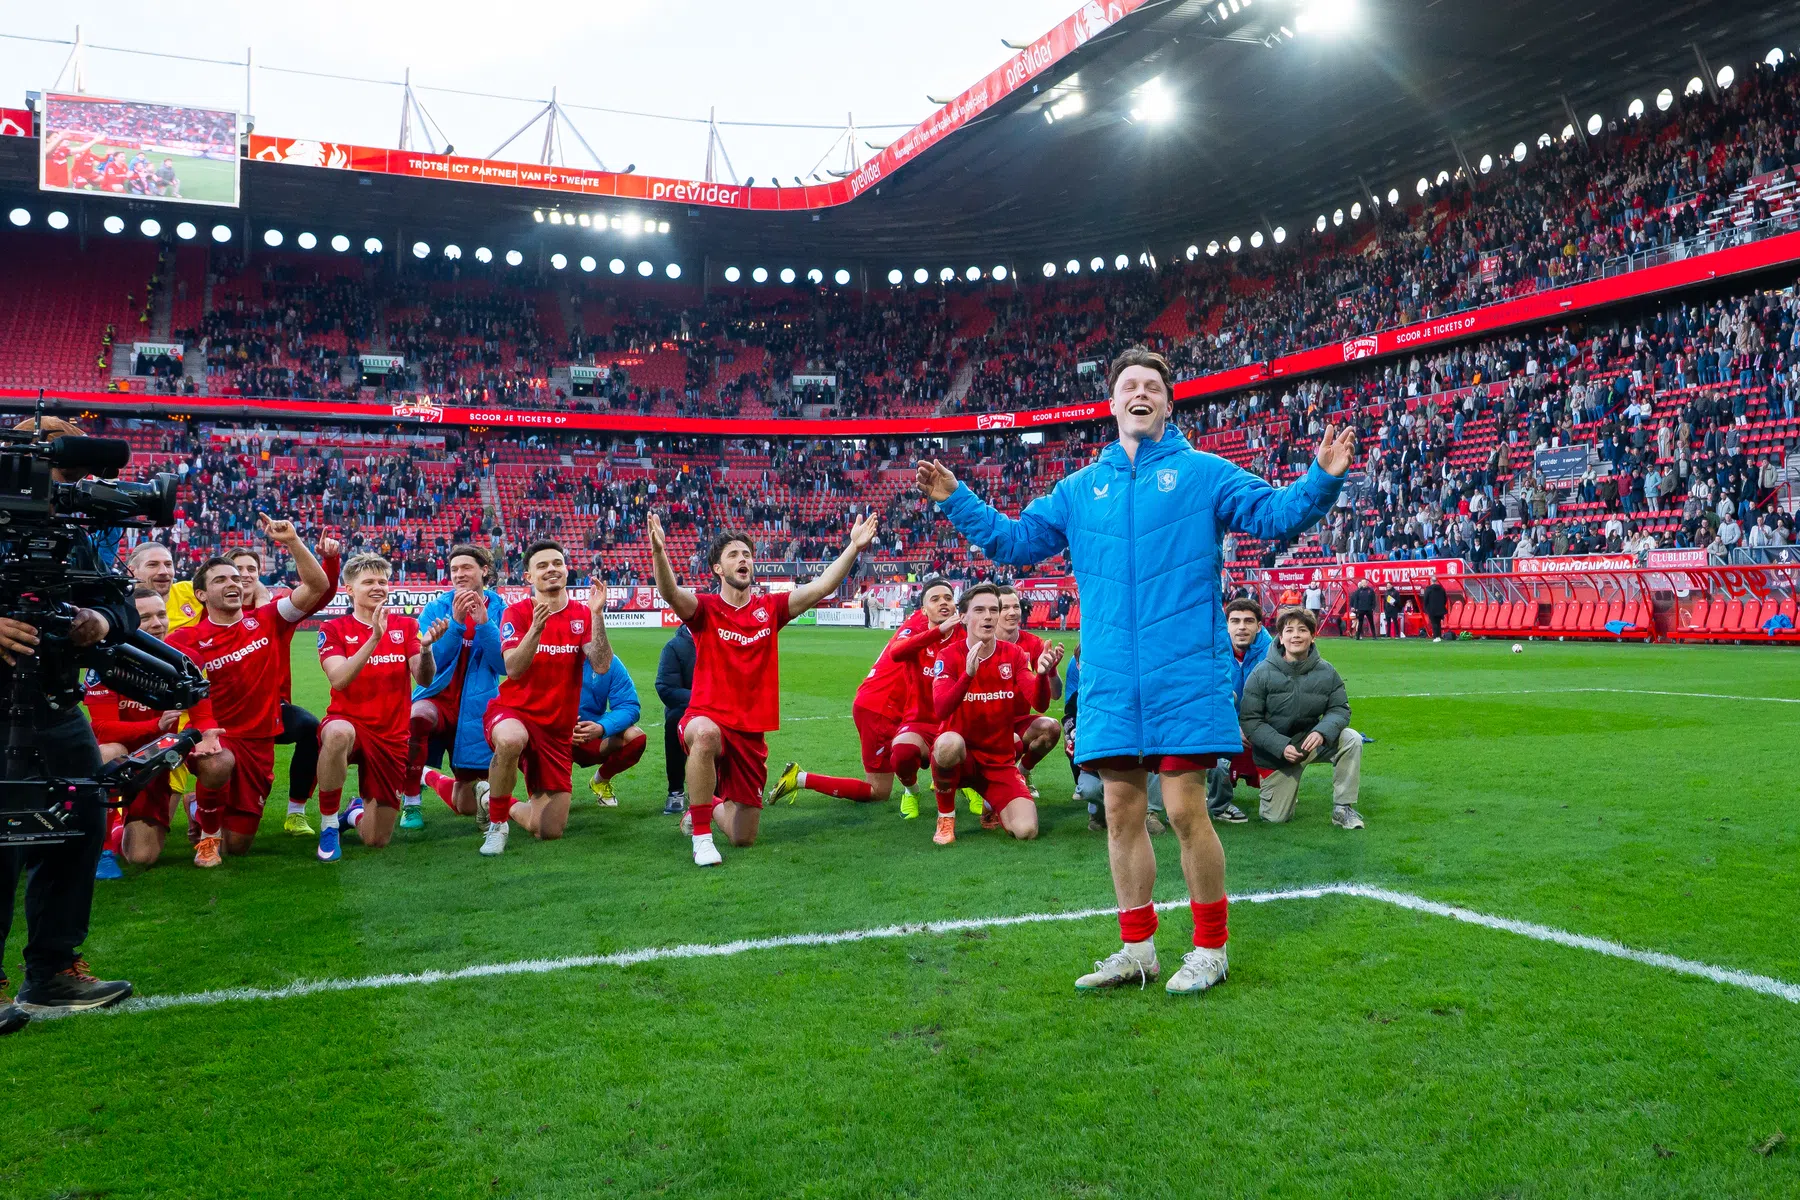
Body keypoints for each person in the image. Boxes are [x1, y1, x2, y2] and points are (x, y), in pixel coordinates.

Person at [919, 345, 1351, 995]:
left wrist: (1321, 477)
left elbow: (1274, 516)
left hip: (1183, 674)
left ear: (1168, 403)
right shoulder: (1078, 490)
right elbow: (1013, 541)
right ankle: (1138, 949)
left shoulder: (1203, 473)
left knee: (1183, 809)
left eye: (1152, 384)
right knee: (1120, 811)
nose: (1140, 392)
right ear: (1114, 403)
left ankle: (1210, 949)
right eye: (1129, 384)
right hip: (1113, 679)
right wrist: (958, 499)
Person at [0, 419, 144, 1032]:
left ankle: (53, 970)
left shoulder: (71, 527)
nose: (67, 451)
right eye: (52, 440)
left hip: (57, 704)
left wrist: (102, 623)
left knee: (81, 821)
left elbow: (123, 604)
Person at [650, 511, 877, 867]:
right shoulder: (706, 610)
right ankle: (702, 838)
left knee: (744, 836)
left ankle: (702, 806)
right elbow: (669, 592)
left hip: (750, 730)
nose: (743, 559)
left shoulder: (769, 609)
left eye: (747, 554)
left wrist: (853, 547)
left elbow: (821, 587)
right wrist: (660, 553)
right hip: (706, 716)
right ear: (718, 570)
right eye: (734, 555)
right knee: (705, 735)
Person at [164, 515, 335, 866]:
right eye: (221, 579)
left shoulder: (267, 619)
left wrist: (292, 541)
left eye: (236, 578)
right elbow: (186, 694)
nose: (234, 582)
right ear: (201, 594)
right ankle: (207, 834)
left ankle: (205, 809)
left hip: (260, 742)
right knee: (217, 762)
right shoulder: (185, 640)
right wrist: (204, 732)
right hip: (216, 737)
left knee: (239, 846)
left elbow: (317, 586)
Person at [769, 576, 957, 813]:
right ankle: (800, 778)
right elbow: (900, 652)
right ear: (924, 605)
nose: (943, 603)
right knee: (879, 790)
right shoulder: (923, 624)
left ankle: (936, 779)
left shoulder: (933, 621)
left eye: (948, 598)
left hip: (890, 706)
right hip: (880, 708)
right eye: (936, 598)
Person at [478, 540, 613, 856]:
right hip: (514, 713)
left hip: (556, 729)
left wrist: (597, 615)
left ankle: (492, 799)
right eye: (542, 565)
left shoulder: (582, 614)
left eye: (557, 563)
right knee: (510, 740)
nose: (551, 569)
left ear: (566, 569)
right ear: (528, 576)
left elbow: (602, 664)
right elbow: (513, 669)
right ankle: (497, 826)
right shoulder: (518, 612)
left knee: (548, 830)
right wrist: (536, 630)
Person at [313, 554, 446, 862]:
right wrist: (374, 638)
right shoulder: (333, 628)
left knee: (376, 839)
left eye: (383, 582)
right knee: (336, 733)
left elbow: (423, 677)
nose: (377, 588)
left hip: (391, 735)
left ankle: (353, 815)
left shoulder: (407, 625)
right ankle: (330, 824)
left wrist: (426, 649)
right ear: (349, 589)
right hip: (349, 723)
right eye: (368, 582)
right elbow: (340, 679)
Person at [928, 583, 1061, 844]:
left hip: (999, 761)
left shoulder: (1014, 655)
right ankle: (946, 816)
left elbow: (1040, 703)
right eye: (979, 610)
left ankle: (992, 803)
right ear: (963, 617)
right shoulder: (949, 655)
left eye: (992, 610)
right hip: (963, 757)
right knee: (946, 744)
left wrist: (1044, 676)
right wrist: (967, 676)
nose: (988, 616)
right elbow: (941, 708)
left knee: (1026, 831)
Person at [230, 545, 336, 837]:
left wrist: (330, 559)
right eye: (238, 569)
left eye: (252, 569)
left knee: (310, 729)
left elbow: (322, 592)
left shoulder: (277, 611)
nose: (245, 574)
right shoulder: (213, 615)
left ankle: (296, 812)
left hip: (272, 707)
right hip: (224, 712)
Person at [1238, 607, 1365, 829]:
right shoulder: (1261, 673)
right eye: (1289, 630)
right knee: (1275, 818)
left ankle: (1343, 808)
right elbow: (1250, 721)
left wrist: (1321, 731)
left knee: (1352, 738)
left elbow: (1340, 709)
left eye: (1302, 630)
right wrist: (1280, 746)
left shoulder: (1327, 671)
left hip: (1311, 742)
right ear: (1281, 637)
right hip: (1276, 755)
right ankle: (1284, 791)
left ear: (1312, 636)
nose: (1296, 635)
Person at [406, 544, 507, 825]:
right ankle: (411, 801)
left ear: (484, 570)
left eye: (466, 567)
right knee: (418, 717)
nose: (459, 574)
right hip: (438, 696)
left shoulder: (500, 609)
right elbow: (431, 660)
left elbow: (503, 666)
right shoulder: (437, 608)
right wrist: (458, 623)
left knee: (467, 804)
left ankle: (429, 775)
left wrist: (484, 625)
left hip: (478, 704)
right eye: (454, 569)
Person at [87, 587, 182, 871]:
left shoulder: (181, 660)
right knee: (108, 753)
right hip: (124, 754)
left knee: (142, 858)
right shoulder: (104, 664)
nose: (157, 623)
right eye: (145, 617)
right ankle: (102, 849)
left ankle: (118, 826)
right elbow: (103, 729)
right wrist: (154, 725)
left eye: (161, 615)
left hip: (159, 759)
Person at [1203, 597, 1270, 824]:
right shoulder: (1210, 652)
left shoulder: (1274, 654)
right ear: (1226, 625)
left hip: (1261, 728)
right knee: (1217, 759)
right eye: (1235, 621)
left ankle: (1280, 788)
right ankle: (1219, 806)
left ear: (1259, 626)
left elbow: (1279, 702)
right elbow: (1206, 700)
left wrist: (1253, 728)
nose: (1242, 627)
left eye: (1249, 621)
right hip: (1224, 726)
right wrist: (1233, 728)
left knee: (1277, 814)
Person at [996, 584, 1064, 807]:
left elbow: (1054, 696)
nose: (1012, 612)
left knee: (1051, 728)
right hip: (986, 724)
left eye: (1016, 606)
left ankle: (1022, 772)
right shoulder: (982, 642)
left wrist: (1051, 669)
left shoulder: (1034, 644)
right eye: (1005, 607)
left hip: (1017, 723)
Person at [572, 655, 648, 804]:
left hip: (591, 733)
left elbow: (629, 706)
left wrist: (602, 727)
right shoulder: (545, 654)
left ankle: (600, 780)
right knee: (517, 736)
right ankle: (537, 791)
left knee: (635, 738)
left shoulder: (608, 660)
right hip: (553, 736)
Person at [654, 624, 694, 815]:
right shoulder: (674, 647)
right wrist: (702, 699)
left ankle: (725, 788)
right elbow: (666, 688)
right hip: (687, 709)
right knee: (674, 721)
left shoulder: (719, 640)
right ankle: (676, 790)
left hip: (718, 707)